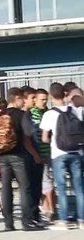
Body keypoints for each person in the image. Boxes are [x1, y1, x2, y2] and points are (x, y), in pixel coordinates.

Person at [0, 87, 43, 231]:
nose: (23, 102)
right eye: (22, 99)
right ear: (16, 98)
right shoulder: (21, 115)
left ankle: (8, 223)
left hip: (3, 156)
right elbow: (27, 137)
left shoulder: (0, 114)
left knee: (6, 189)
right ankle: (27, 222)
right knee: (25, 188)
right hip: (19, 156)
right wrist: (36, 155)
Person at [40, 82, 84, 231]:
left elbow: (45, 138)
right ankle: (81, 220)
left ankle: (64, 221)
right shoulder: (77, 111)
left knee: (62, 187)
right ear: (65, 93)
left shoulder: (49, 114)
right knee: (79, 188)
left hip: (58, 153)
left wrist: (53, 137)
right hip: (77, 153)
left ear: (51, 96)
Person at [21, 86, 45, 226]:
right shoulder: (24, 116)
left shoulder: (30, 114)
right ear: (25, 99)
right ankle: (30, 217)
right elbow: (26, 139)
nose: (35, 100)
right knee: (31, 188)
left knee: (36, 187)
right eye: (32, 98)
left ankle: (35, 216)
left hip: (34, 155)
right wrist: (36, 155)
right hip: (29, 157)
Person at [30, 89, 55, 221]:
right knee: (46, 181)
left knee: (48, 181)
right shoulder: (31, 114)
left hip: (49, 150)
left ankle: (50, 209)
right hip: (39, 152)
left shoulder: (48, 112)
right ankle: (49, 209)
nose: (45, 102)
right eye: (42, 99)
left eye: (46, 99)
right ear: (35, 99)